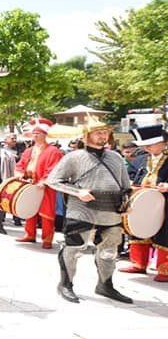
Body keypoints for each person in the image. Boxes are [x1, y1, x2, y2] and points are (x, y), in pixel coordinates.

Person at [46, 117, 134, 304]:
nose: (103, 136)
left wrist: (127, 202)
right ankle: (65, 284)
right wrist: (78, 191)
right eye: (98, 132)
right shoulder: (74, 157)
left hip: (111, 211)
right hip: (82, 209)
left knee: (109, 251)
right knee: (74, 248)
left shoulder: (116, 157)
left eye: (105, 132)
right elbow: (53, 180)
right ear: (87, 136)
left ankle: (105, 285)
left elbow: (126, 186)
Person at [120, 124, 168, 281]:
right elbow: (129, 176)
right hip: (141, 200)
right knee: (137, 228)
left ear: (163, 142)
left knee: (165, 233)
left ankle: (164, 269)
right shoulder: (140, 159)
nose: (146, 148)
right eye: (145, 145)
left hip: (165, 202)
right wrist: (132, 185)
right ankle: (139, 263)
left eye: (150, 144)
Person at [15, 118, 63, 249]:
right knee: (29, 209)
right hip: (30, 183)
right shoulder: (28, 150)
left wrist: (44, 181)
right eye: (34, 134)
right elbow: (20, 165)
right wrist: (20, 175)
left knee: (47, 213)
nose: (35, 136)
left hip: (44, 186)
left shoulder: (53, 151)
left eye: (38, 134)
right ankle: (29, 234)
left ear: (45, 135)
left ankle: (47, 239)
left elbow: (54, 169)